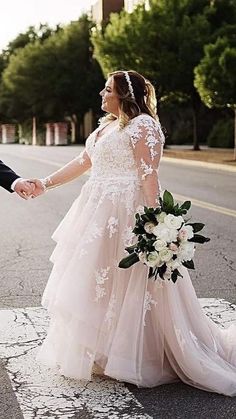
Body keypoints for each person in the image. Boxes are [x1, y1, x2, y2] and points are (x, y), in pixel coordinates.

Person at [36, 70, 236, 396]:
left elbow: (148, 176)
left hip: (126, 212)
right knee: (99, 282)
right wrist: (43, 184)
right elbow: (82, 162)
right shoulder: (106, 127)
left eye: (107, 90)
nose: (101, 94)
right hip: (97, 215)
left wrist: (157, 223)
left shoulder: (143, 125)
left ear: (124, 95)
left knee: (136, 285)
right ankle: (104, 350)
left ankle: (144, 354)